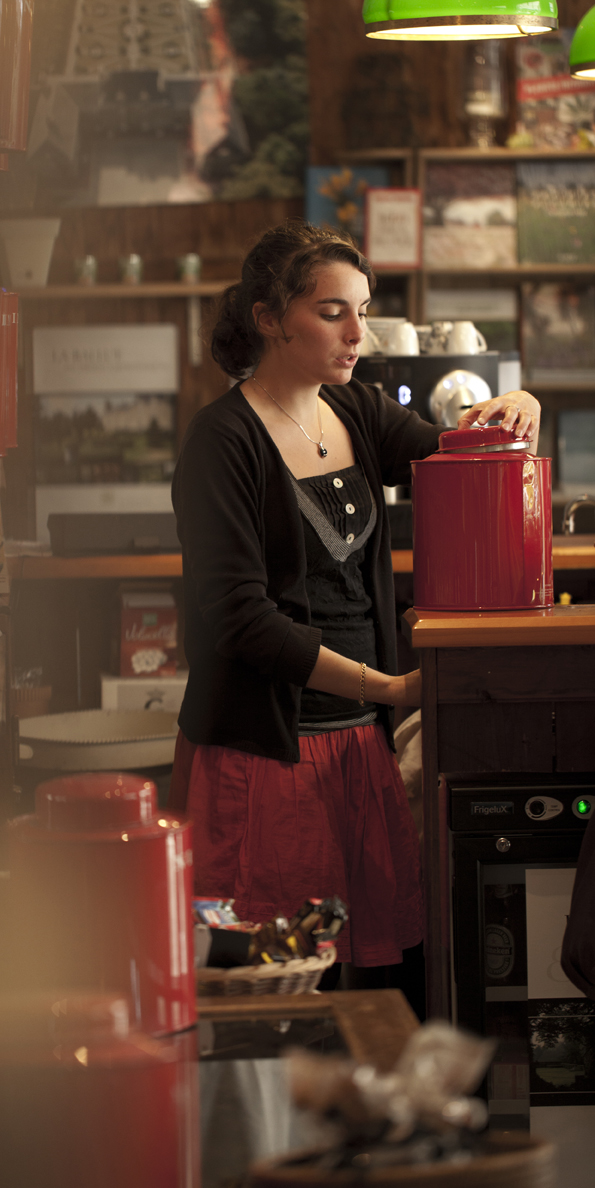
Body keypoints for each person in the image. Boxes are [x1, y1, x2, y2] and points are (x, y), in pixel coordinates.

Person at [169, 221, 540, 986]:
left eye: (363, 311)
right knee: (277, 978)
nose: (357, 335)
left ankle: (359, 1109)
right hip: (263, 759)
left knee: (374, 974)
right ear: (269, 318)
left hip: (354, 752)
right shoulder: (221, 442)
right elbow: (240, 620)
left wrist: (516, 406)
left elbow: (460, 454)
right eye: (333, 311)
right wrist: (390, 689)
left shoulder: (360, 412)